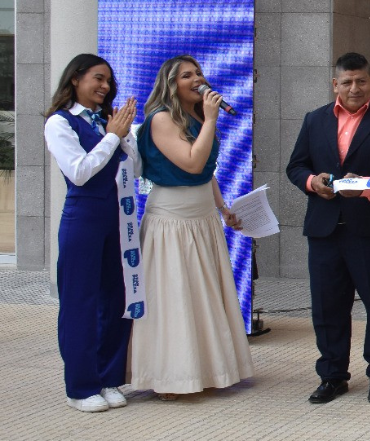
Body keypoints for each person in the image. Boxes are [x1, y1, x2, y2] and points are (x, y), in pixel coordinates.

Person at [286, 52, 370, 405]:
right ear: (335, 84)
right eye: (347, 82)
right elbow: (296, 166)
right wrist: (312, 182)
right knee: (327, 308)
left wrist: (368, 185)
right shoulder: (315, 120)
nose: (354, 88)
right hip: (324, 229)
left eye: (361, 81)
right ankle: (332, 376)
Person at [128, 55, 254, 399]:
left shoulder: (197, 117)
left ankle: (208, 369)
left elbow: (206, 171)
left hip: (202, 216)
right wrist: (212, 119)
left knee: (202, 296)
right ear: (171, 84)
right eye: (187, 75)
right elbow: (192, 161)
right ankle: (171, 377)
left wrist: (223, 207)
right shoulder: (161, 119)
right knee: (175, 297)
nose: (197, 78)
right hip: (173, 219)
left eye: (198, 73)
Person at [44, 54, 141, 412]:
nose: (105, 86)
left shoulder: (107, 121)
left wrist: (123, 137)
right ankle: (80, 387)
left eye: (108, 81)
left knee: (116, 299)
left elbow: (135, 169)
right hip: (83, 218)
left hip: (117, 218)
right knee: (80, 303)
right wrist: (112, 137)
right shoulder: (60, 122)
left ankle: (108, 378)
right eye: (98, 78)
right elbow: (80, 172)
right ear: (75, 78)